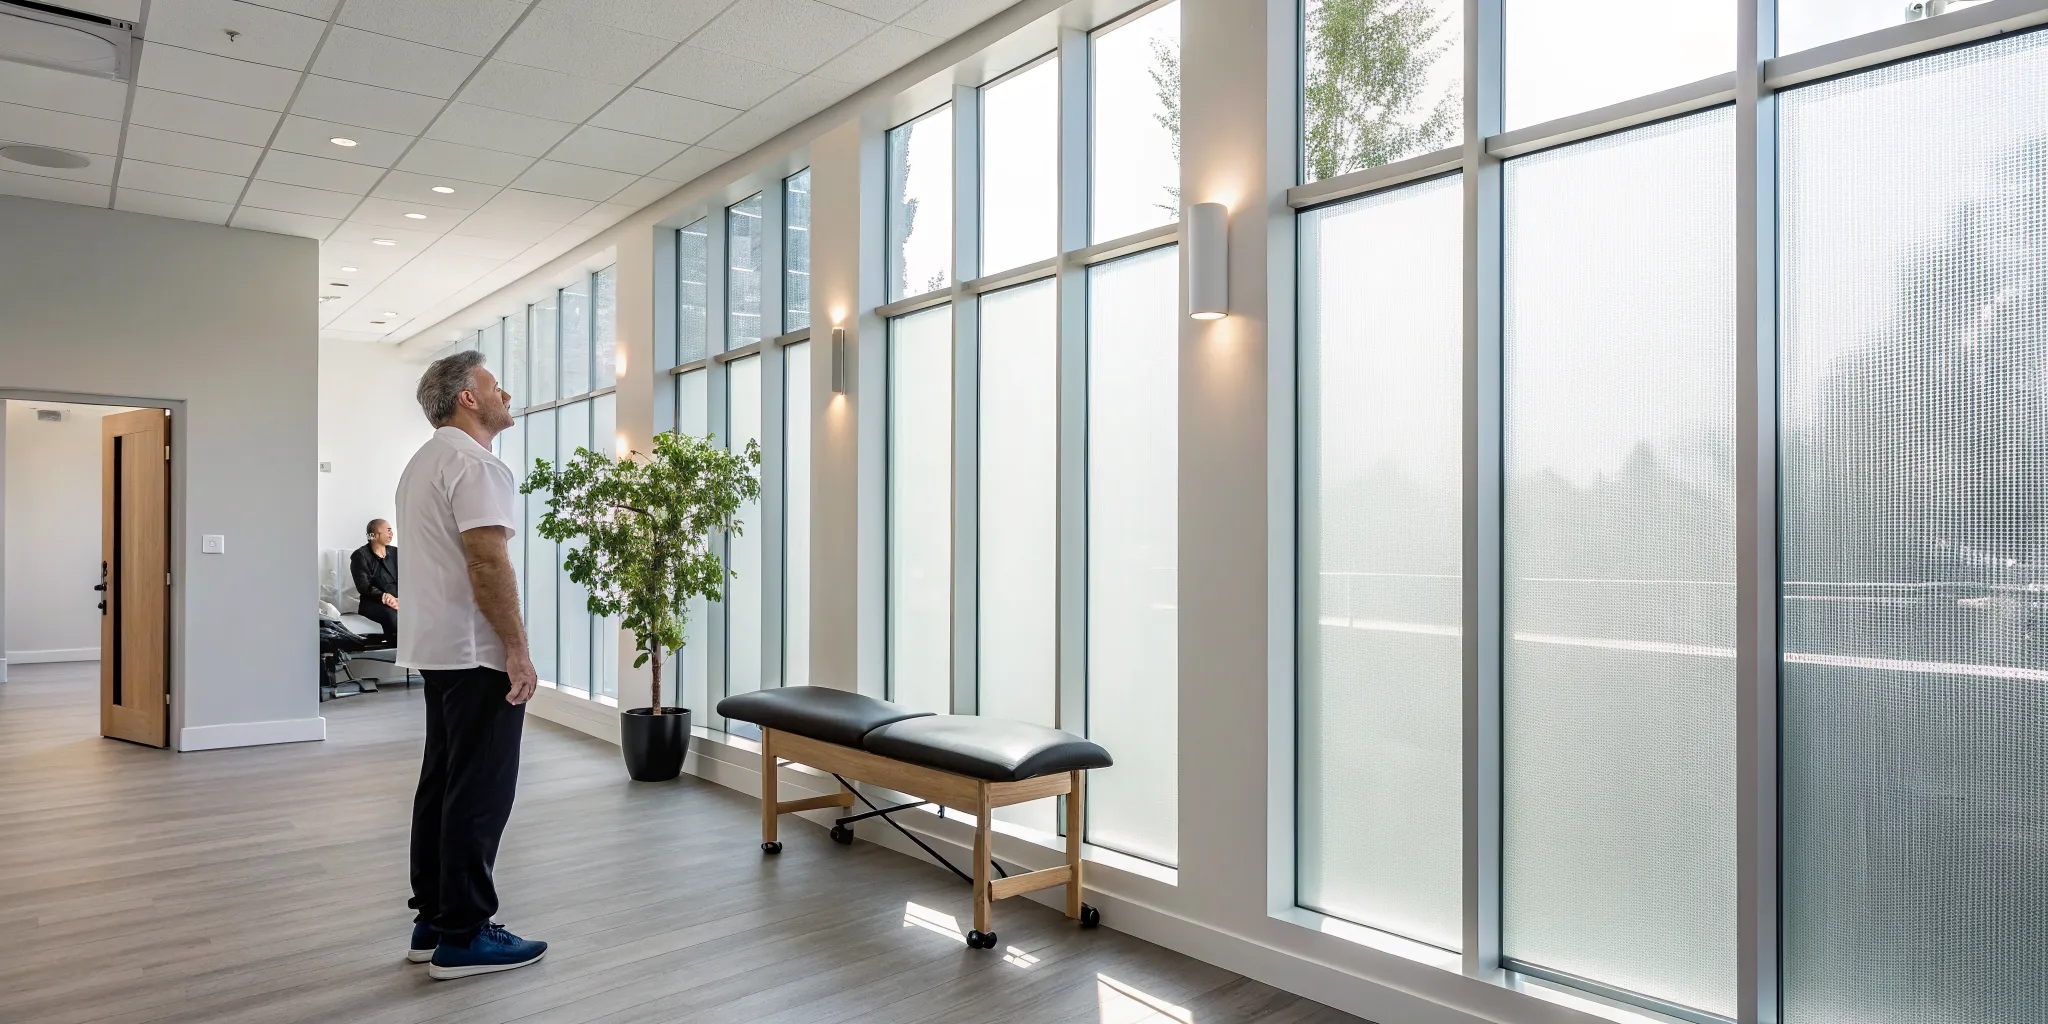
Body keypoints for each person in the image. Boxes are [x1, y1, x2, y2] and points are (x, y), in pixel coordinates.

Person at [394, 349, 547, 980]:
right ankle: (464, 935)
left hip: (437, 648)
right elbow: (488, 564)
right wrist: (516, 649)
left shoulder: (423, 462)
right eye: (493, 384)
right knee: (481, 792)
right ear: (467, 397)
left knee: (444, 783)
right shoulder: (475, 463)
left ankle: (433, 919)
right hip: (476, 652)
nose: (504, 392)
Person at [350, 518, 400, 642]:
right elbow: (363, 586)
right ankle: (396, 651)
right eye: (388, 530)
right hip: (373, 603)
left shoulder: (395, 552)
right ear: (375, 535)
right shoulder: (360, 556)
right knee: (392, 615)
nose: (391, 534)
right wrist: (385, 597)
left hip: (398, 600)